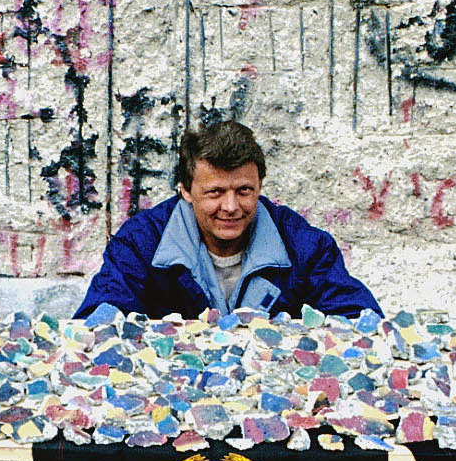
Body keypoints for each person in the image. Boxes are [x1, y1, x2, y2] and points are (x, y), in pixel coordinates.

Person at [75, 120, 380, 320]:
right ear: (186, 190)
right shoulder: (141, 243)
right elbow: (97, 326)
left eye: (244, 190)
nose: (231, 206)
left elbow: (360, 321)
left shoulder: (305, 246)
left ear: (260, 186)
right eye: (215, 192)